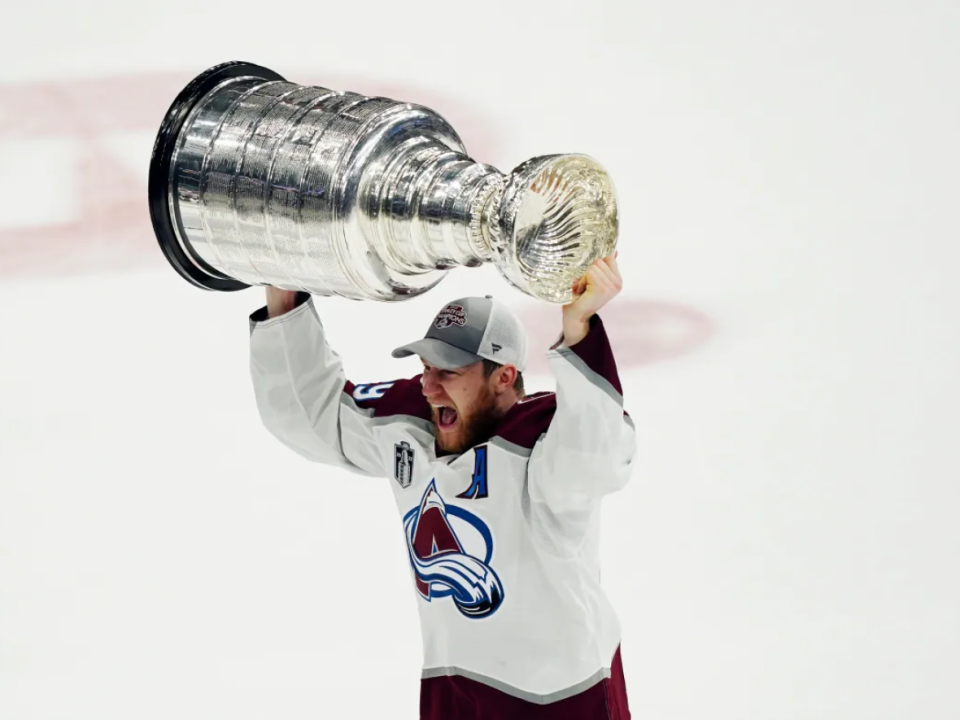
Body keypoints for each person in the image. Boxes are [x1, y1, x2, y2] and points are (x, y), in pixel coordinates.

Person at [248, 254, 636, 720]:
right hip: (453, 693)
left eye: (449, 371)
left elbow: (596, 453)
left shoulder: (540, 448)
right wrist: (283, 297)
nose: (430, 386)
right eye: (426, 366)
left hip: (561, 699)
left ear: (504, 377)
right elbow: (310, 415)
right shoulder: (411, 422)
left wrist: (579, 326)